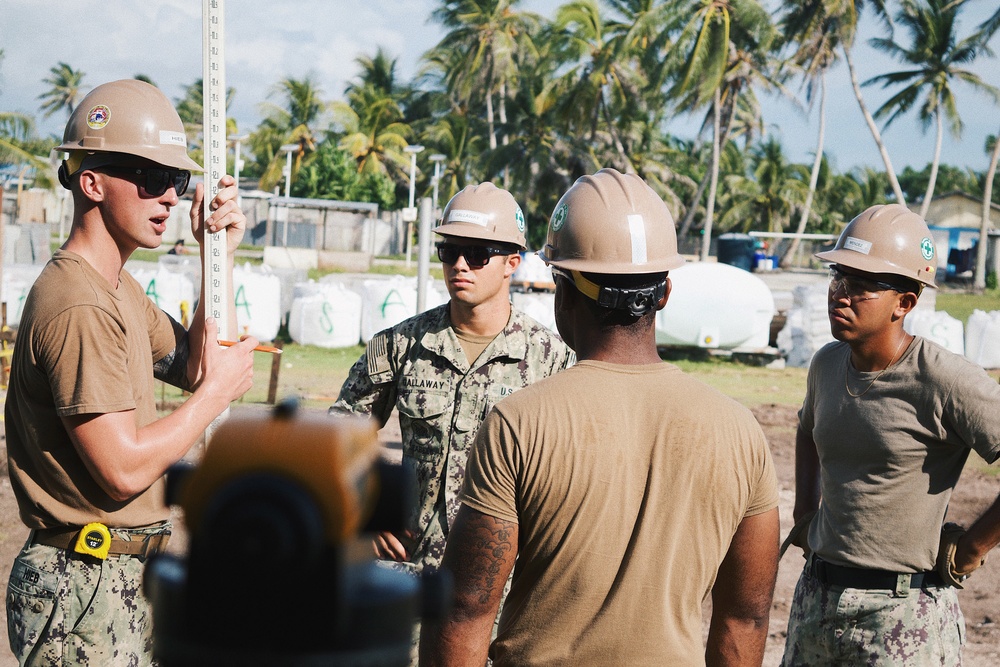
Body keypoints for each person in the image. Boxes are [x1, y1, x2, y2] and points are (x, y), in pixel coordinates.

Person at [422, 168, 780, 666]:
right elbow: (747, 617)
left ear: (563, 291)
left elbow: (465, 608)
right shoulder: (740, 432)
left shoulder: (518, 423)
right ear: (665, 292)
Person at [4, 79, 258, 665]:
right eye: (149, 178)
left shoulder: (117, 288)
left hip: (120, 578)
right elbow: (121, 470)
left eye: (178, 180)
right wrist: (215, 398)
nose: (169, 197)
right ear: (90, 182)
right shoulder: (78, 303)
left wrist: (216, 255)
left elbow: (198, 365)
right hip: (83, 586)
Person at [329, 183, 573, 606]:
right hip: (408, 581)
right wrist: (365, 512)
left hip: (499, 592)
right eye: (449, 250)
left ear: (511, 263)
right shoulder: (399, 344)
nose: (460, 264)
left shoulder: (550, 359)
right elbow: (336, 435)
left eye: (478, 254)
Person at [781, 204, 1000, 666]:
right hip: (818, 600)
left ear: (905, 302)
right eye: (838, 277)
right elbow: (807, 428)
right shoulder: (826, 363)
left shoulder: (945, 380)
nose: (840, 293)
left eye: (862, 285)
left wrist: (973, 547)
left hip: (903, 617)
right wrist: (805, 511)